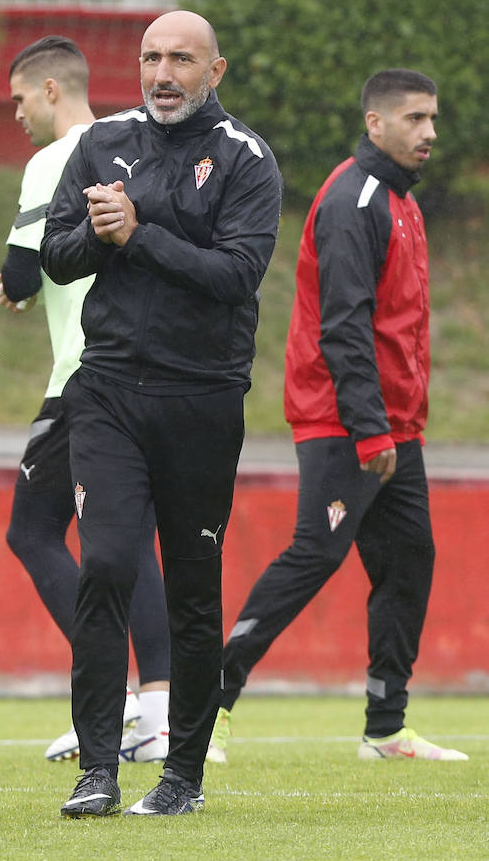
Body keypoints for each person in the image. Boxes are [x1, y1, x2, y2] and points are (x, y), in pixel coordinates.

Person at [40, 10, 282, 817]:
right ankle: (98, 770)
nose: (162, 73)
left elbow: (235, 275)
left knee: (192, 586)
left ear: (217, 70)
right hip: (106, 389)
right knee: (105, 562)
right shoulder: (103, 143)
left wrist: (137, 234)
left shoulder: (247, 159)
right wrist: (102, 235)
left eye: (181, 58)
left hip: (203, 398)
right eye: (150, 57)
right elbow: (58, 254)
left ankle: (181, 778)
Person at [207, 69, 465, 764]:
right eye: (415, 119)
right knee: (313, 556)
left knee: (409, 560)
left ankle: (386, 727)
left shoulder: (403, 203)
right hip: (347, 423)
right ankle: (206, 709)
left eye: (433, 119)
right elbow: (344, 329)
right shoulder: (355, 200)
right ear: (376, 124)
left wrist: (397, 425)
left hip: (394, 427)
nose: (430, 132)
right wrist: (371, 428)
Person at [0, 35, 171, 765]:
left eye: (18, 100)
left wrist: (12, 283)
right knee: (130, 543)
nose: (14, 116)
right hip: (155, 376)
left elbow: (22, 271)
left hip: (80, 380)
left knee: (31, 533)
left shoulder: (55, 159)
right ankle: (159, 715)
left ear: (51, 92)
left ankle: (114, 699)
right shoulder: (137, 145)